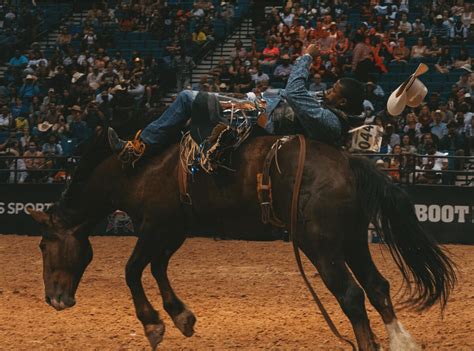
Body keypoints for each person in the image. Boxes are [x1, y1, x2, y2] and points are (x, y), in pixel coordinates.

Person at [108, 44, 366, 167]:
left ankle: (138, 149)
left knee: (187, 97)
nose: (328, 92)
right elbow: (291, 97)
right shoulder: (332, 114)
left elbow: (295, 92)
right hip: (261, 108)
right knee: (193, 111)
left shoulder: (330, 122)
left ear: (343, 101)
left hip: (261, 118)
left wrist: (306, 57)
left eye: (333, 91)